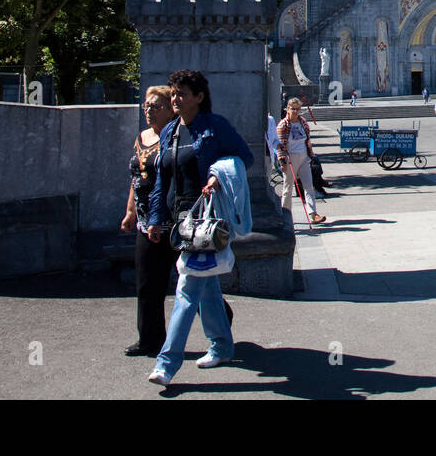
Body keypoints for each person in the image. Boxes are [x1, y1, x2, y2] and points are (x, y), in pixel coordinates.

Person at [147, 69, 254, 386]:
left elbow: (243, 157)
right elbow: (160, 181)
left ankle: (166, 364)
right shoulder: (169, 132)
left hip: (205, 217)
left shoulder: (214, 126)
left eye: (181, 93)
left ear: (199, 97)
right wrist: (155, 218)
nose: (175, 98)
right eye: (173, 92)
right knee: (206, 285)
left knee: (186, 289)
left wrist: (217, 175)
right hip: (180, 220)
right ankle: (222, 345)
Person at [122, 86, 178, 358]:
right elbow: (136, 177)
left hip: (174, 224)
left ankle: (220, 325)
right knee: (147, 284)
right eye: (146, 105)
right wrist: (130, 211)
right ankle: (150, 340)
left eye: (156, 106)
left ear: (170, 109)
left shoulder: (176, 137)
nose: (148, 110)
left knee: (192, 285)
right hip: (145, 223)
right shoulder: (142, 137)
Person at [276, 97, 327, 225]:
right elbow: (280, 146)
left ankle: (313, 214)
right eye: (292, 109)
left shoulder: (303, 122)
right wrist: (282, 162)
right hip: (290, 158)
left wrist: (310, 155)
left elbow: (307, 140)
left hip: (304, 156)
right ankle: (285, 215)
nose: (295, 112)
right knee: (288, 188)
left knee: (309, 185)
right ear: (287, 109)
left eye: (297, 109)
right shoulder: (283, 125)